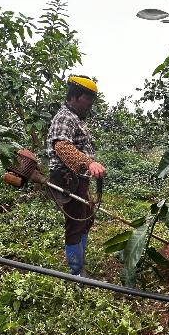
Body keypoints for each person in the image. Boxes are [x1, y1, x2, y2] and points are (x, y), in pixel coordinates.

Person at [46, 75, 107, 277]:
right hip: (66, 180)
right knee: (75, 224)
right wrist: (89, 163)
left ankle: (80, 267)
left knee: (86, 217)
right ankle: (76, 274)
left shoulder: (75, 118)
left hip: (78, 180)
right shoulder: (64, 117)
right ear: (75, 96)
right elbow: (62, 146)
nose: (90, 105)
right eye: (88, 100)